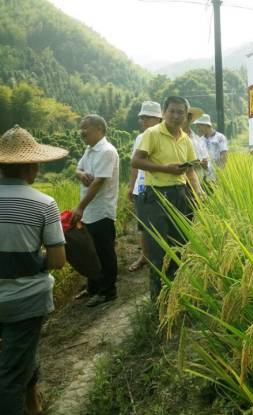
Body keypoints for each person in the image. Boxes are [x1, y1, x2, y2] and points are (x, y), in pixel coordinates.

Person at [0, 125, 67, 415]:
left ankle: (33, 404)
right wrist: (32, 260)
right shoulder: (44, 204)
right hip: (25, 300)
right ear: (30, 167)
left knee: (20, 355)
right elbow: (58, 260)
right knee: (10, 378)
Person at [131, 96, 205, 300]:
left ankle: (176, 298)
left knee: (179, 246)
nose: (176, 116)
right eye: (172, 111)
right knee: (158, 251)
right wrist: (166, 169)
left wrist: (199, 192)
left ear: (185, 116)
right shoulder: (152, 133)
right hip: (157, 196)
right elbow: (136, 161)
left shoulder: (185, 139)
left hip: (180, 195)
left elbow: (190, 171)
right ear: (164, 113)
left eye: (181, 112)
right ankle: (158, 301)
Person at [73, 114, 120, 307]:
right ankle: (92, 287)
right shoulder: (89, 149)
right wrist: (81, 174)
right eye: (81, 127)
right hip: (89, 212)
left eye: (85, 127)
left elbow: (99, 182)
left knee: (104, 251)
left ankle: (108, 291)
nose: (82, 131)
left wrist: (80, 207)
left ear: (99, 128)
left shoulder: (107, 151)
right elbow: (77, 169)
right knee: (91, 252)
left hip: (101, 211)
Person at [127, 101, 163, 272]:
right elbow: (134, 165)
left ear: (158, 118)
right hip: (141, 187)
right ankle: (145, 255)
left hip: (159, 186)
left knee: (160, 223)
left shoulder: (165, 136)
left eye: (148, 117)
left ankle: (161, 257)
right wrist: (131, 186)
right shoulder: (140, 138)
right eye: (142, 118)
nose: (144, 121)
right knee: (143, 224)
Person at [193, 114, 228, 183]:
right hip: (204, 176)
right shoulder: (200, 140)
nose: (198, 129)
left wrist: (220, 173)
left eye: (199, 126)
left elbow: (224, 156)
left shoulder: (220, 137)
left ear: (205, 125)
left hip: (217, 175)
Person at [184, 107, 209, 183]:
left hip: (200, 181)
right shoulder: (174, 138)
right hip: (183, 182)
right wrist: (192, 163)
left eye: (189, 117)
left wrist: (205, 163)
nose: (186, 120)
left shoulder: (197, 139)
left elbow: (205, 159)